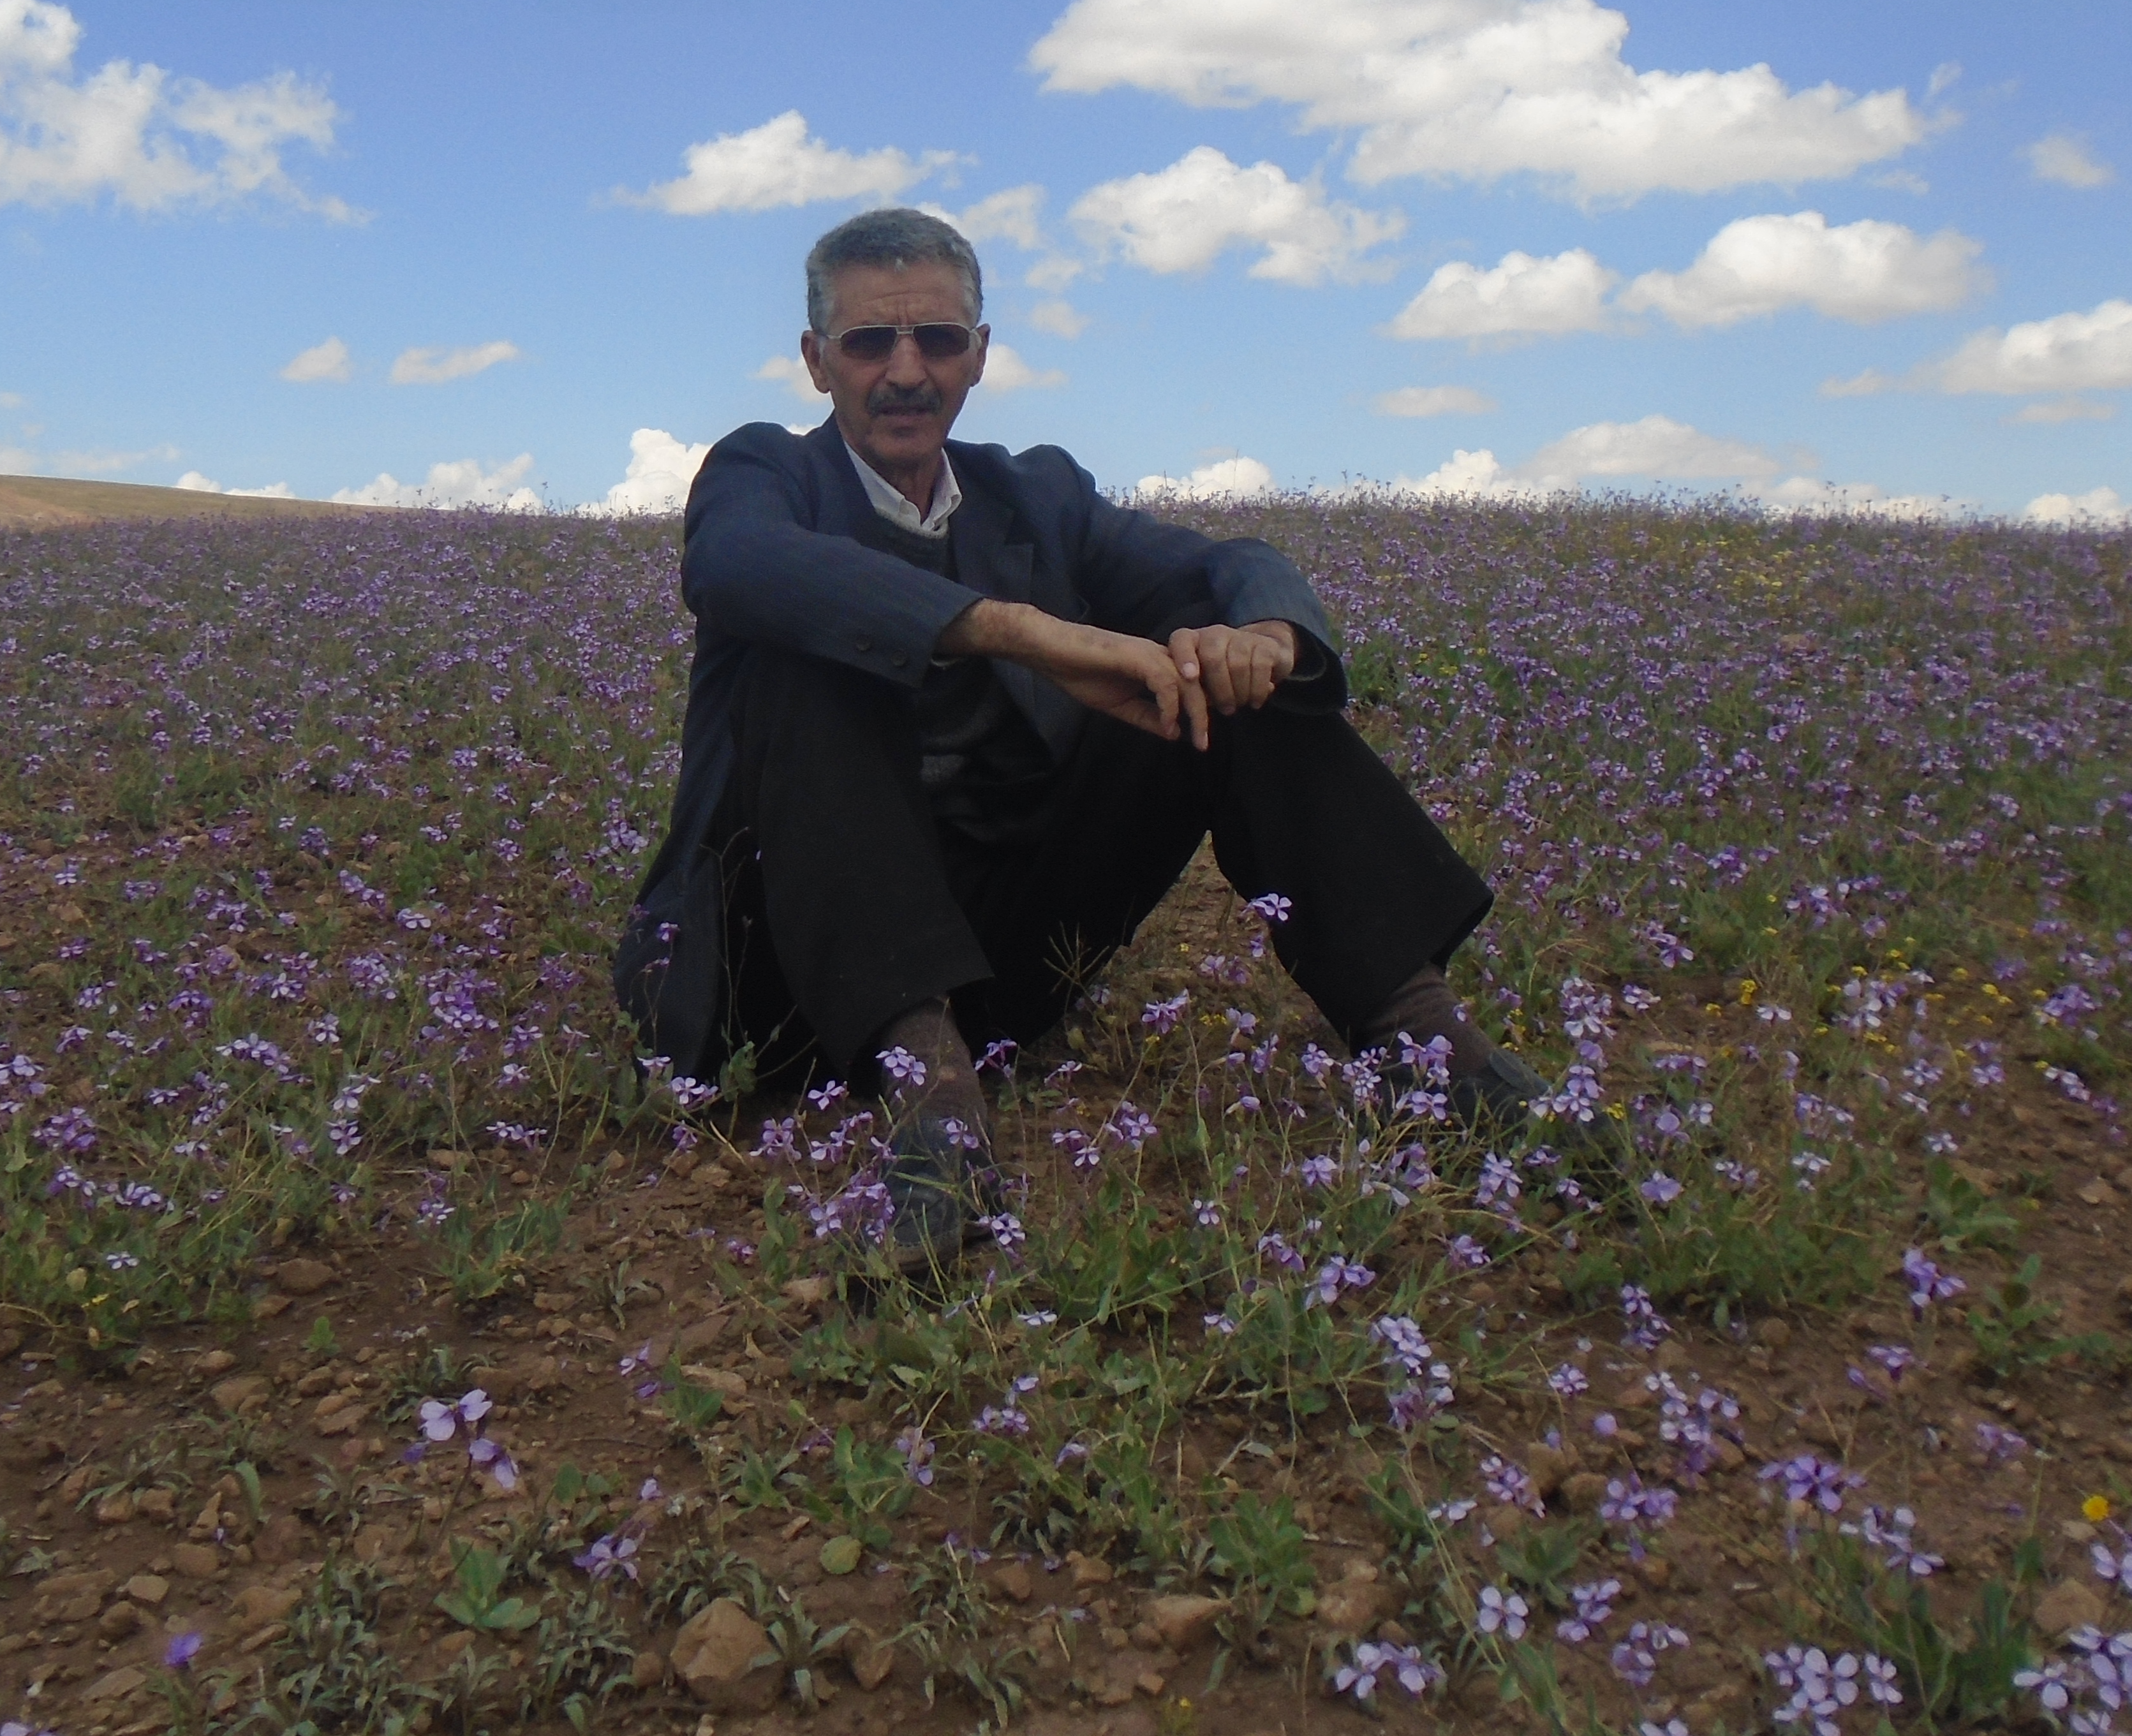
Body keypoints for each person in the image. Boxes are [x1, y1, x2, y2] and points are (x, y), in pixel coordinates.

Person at [612, 206, 1541, 1262]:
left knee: (1214, 667)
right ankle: (931, 1107)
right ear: (818, 363)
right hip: (783, 969)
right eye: (871, 343)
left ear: (979, 356)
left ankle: (1429, 1042)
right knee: (815, 649)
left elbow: (1225, 561)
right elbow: (734, 567)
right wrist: (1027, 635)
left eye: (939, 340)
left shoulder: (1035, 494)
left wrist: (1268, 634)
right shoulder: (763, 475)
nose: (906, 371)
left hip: (996, 955)